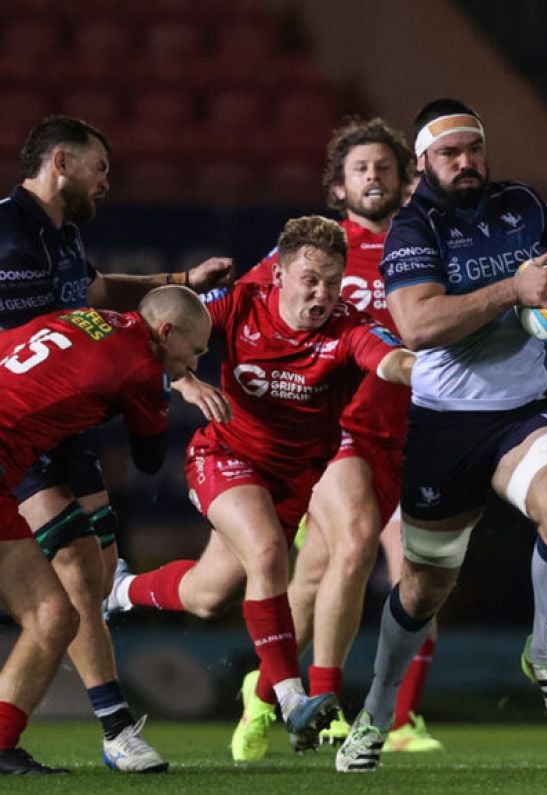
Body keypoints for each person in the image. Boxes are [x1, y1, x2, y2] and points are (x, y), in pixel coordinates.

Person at [334, 98, 547, 773]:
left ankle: (544, 650)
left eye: (473, 148)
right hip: (444, 425)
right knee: (425, 587)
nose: (465, 162)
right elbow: (418, 326)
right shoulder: (413, 227)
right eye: (449, 153)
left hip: (521, 410)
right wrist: (511, 290)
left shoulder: (520, 203)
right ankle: (375, 708)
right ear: (424, 162)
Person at [105, 215, 416, 753]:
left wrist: (429, 371)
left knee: (208, 595)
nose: (321, 294)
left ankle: (121, 590)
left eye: (332, 281)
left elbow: (389, 359)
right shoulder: (240, 304)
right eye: (309, 279)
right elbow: (159, 327)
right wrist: (183, 380)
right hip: (224, 456)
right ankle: (292, 700)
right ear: (279, 275)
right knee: (271, 553)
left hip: (294, 479)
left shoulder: (348, 326)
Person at [0, 115, 234, 772]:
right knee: (73, 574)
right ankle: (116, 728)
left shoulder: (66, 237)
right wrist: (169, 377)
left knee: (94, 578)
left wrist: (181, 282)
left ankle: (103, 702)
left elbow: (101, 294)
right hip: (16, 418)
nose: (108, 181)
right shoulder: (4, 229)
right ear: (62, 162)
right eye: (100, 167)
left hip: (63, 423)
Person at [229, 116, 442, 759]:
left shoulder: (426, 247)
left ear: (407, 181)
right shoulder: (319, 252)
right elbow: (244, 307)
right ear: (338, 186)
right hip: (334, 430)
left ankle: (267, 693)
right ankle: (327, 709)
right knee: (358, 545)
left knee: (325, 576)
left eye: (384, 166)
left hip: (409, 436)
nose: (372, 176)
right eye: (360, 168)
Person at [0, 285, 211, 774]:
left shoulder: (80, 320)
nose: (195, 364)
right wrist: (170, 384)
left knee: (55, 613)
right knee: (58, 605)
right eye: (195, 351)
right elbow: (151, 457)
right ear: (165, 332)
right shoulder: (140, 369)